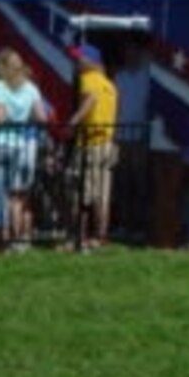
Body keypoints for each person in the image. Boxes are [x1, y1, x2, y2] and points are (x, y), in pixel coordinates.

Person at [0, 47, 48, 251]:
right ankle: (8, 234)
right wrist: (22, 118)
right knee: (10, 194)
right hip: (19, 145)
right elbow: (41, 118)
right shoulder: (30, 88)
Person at [66, 45, 118, 249]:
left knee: (80, 192)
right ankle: (101, 236)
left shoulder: (88, 79)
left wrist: (74, 120)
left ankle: (79, 237)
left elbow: (90, 99)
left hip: (90, 143)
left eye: (79, 59)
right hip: (107, 143)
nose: (76, 63)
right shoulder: (110, 84)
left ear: (90, 61)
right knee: (102, 193)